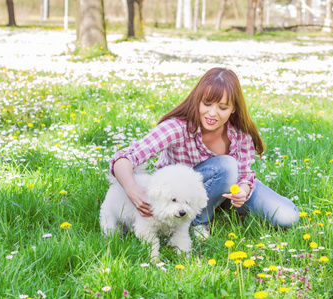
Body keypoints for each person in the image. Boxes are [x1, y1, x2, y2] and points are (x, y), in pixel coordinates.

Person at [109, 68, 299, 240]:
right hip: (182, 198)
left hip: (227, 192)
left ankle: (217, 207)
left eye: (223, 107)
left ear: (233, 109)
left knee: (287, 216)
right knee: (226, 165)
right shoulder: (176, 128)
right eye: (207, 103)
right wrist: (131, 188)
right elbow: (124, 158)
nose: (212, 113)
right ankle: (199, 222)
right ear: (197, 100)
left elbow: (244, 174)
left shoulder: (241, 134)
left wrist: (243, 191)